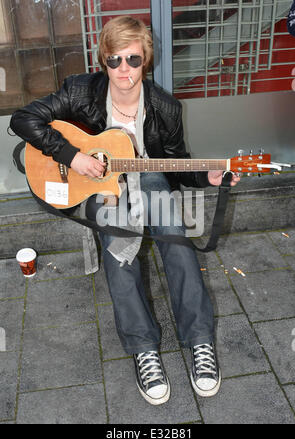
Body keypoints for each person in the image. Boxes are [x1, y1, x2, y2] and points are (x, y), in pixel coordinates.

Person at [10, 16, 240, 406]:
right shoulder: (81, 91)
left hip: (147, 179)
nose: (124, 71)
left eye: (132, 60)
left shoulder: (165, 108)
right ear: (104, 61)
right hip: (98, 184)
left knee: (177, 240)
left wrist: (208, 179)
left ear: (145, 60)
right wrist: (73, 156)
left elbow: (177, 165)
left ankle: (200, 341)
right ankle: (144, 348)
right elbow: (23, 120)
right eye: (114, 61)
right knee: (119, 251)